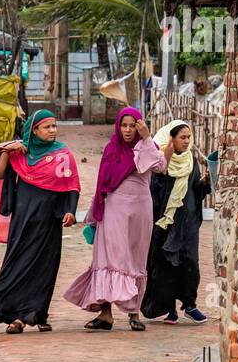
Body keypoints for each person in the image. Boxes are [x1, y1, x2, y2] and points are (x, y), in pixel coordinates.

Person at [0, 110, 81, 334]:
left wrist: (70, 211)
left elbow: (72, 184)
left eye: (54, 126)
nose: (53, 131)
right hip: (22, 219)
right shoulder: (20, 152)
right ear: (34, 131)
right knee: (17, 264)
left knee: (45, 267)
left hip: (49, 219)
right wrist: (7, 150)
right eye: (47, 127)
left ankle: (37, 313)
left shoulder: (62, 154)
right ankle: (15, 315)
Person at [63, 106, 165, 331]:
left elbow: (160, 166)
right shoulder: (111, 149)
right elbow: (102, 184)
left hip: (140, 211)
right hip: (114, 210)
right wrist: (93, 214)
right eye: (124, 125)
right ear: (118, 126)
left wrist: (147, 138)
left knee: (135, 259)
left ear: (139, 126)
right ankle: (105, 313)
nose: (128, 130)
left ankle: (133, 313)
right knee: (110, 259)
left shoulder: (146, 147)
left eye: (132, 126)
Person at [141, 121, 210, 324]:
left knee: (190, 263)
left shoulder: (191, 162)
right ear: (171, 139)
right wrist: (166, 161)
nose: (187, 141)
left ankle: (190, 305)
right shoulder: (159, 162)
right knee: (166, 265)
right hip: (165, 222)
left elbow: (195, 193)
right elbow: (154, 190)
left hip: (187, 222)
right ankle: (169, 308)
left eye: (189, 137)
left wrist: (205, 184)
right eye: (182, 137)